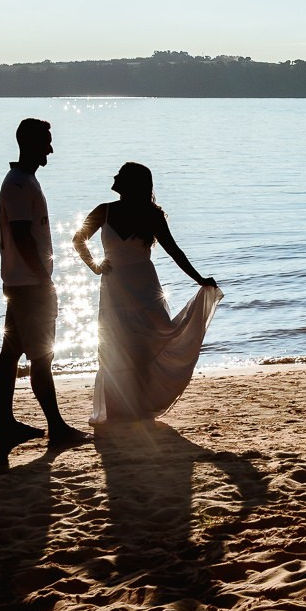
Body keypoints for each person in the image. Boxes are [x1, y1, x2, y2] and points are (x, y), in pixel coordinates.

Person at [72, 162, 222, 423]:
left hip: (145, 288)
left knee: (146, 343)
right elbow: (78, 239)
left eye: (121, 174)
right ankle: (118, 408)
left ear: (131, 183)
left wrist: (199, 279)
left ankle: (139, 407)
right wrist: (94, 265)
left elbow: (175, 251)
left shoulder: (151, 215)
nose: (115, 175)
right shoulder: (103, 211)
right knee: (115, 344)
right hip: (115, 288)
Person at [0, 118, 88, 454]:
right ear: (30, 143)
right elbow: (21, 234)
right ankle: (56, 427)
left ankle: (6, 425)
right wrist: (45, 280)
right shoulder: (19, 184)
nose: (51, 147)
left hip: (21, 282)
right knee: (41, 356)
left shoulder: (23, 180)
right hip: (29, 285)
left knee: (12, 353)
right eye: (46, 141)